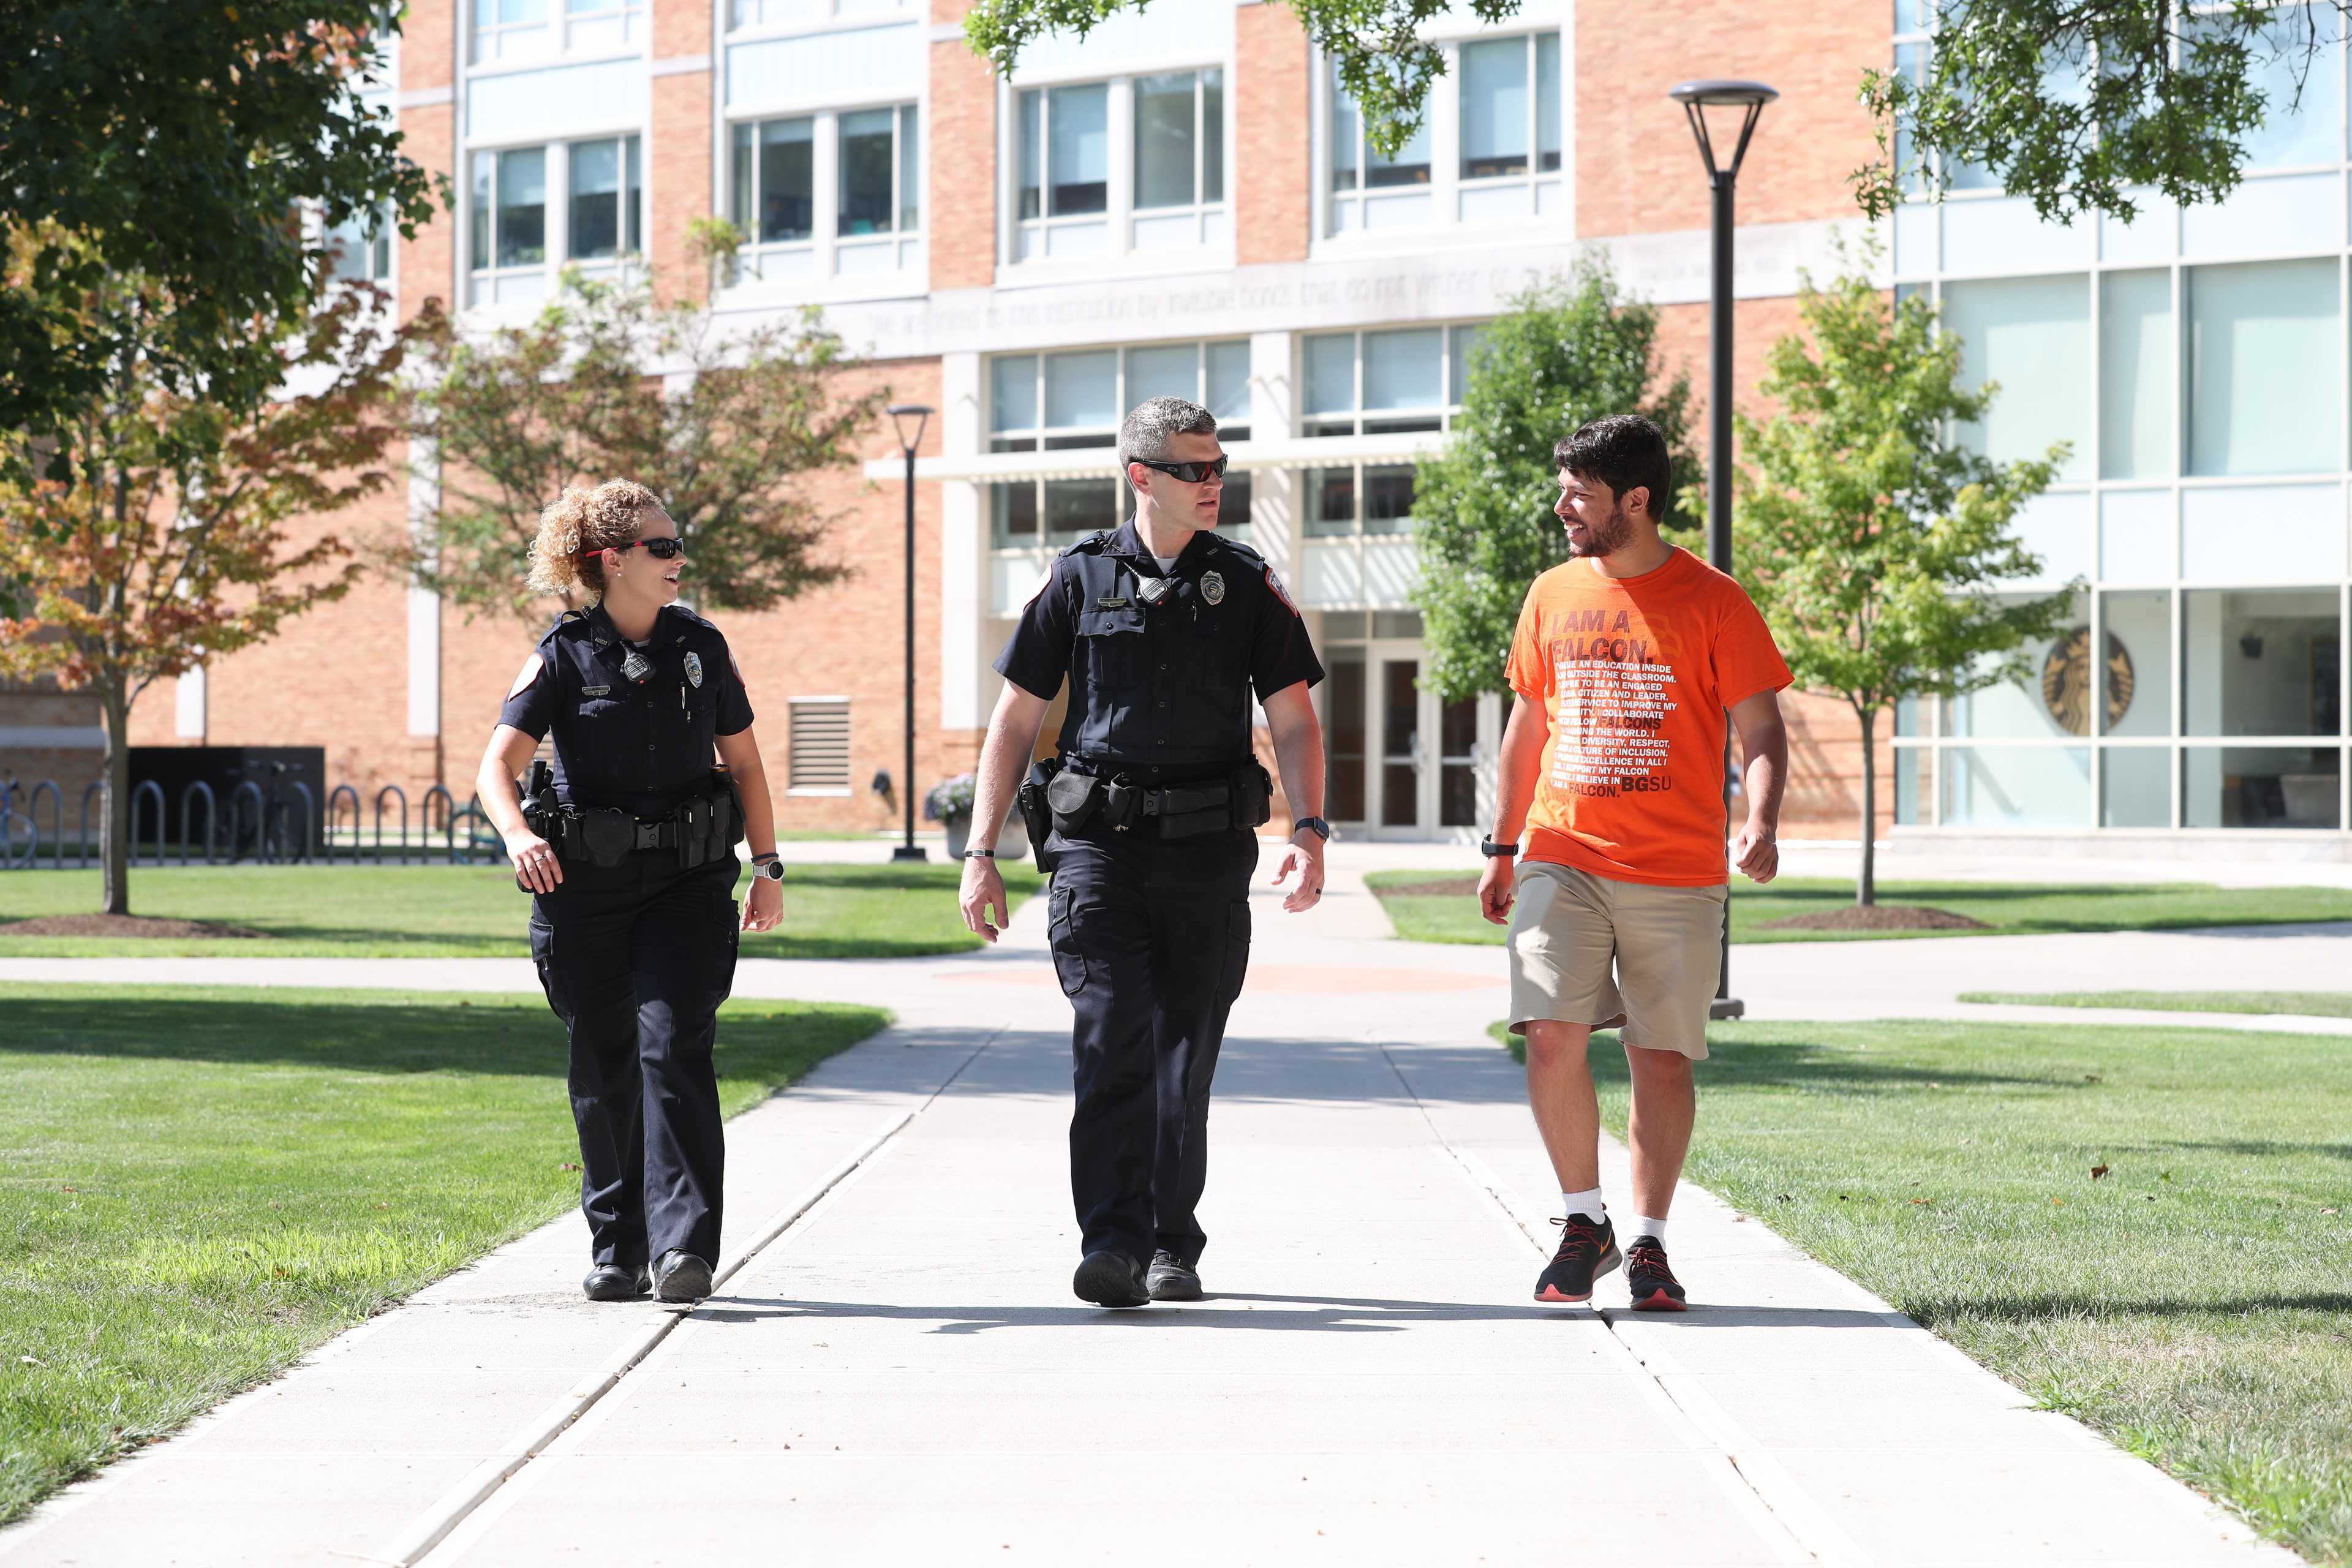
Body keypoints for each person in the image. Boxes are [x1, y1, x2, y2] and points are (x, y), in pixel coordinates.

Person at [957, 396, 1329, 1309]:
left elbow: (1294, 719)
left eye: (1218, 468)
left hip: (1207, 852)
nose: (1213, 485)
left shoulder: (1243, 581)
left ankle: (1173, 1243)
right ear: (1141, 476)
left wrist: (1311, 830)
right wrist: (980, 850)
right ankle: (1112, 1245)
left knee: (1184, 1056)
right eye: (1194, 470)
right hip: (1100, 851)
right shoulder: (1078, 579)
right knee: (1111, 1039)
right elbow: (1016, 718)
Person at [1477, 415, 1790, 1311]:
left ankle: (1647, 1243)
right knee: (1548, 1032)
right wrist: (1503, 846)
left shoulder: (1715, 600)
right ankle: (1584, 1221)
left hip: (1677, 867)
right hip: (1560, 851)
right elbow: (1530, 724)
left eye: (1578, 492)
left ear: (1637, 501)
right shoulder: (1552, 592)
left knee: (1662, 1059)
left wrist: (1760, 820)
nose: (1561, 505)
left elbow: (1761, 726)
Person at [475, 478, 785, 1306]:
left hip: (687, 885)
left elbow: (747, 765)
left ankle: (685, 1247)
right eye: (663, 546)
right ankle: (619, 1244)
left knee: (673, 1043)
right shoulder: (561, 655)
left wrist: (768, 866)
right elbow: (495, 768)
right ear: (613, 561)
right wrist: (517, 834)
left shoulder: (703, 649)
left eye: (678, 544)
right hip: (586, 894)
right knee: (605, 1058)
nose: (679, 558)